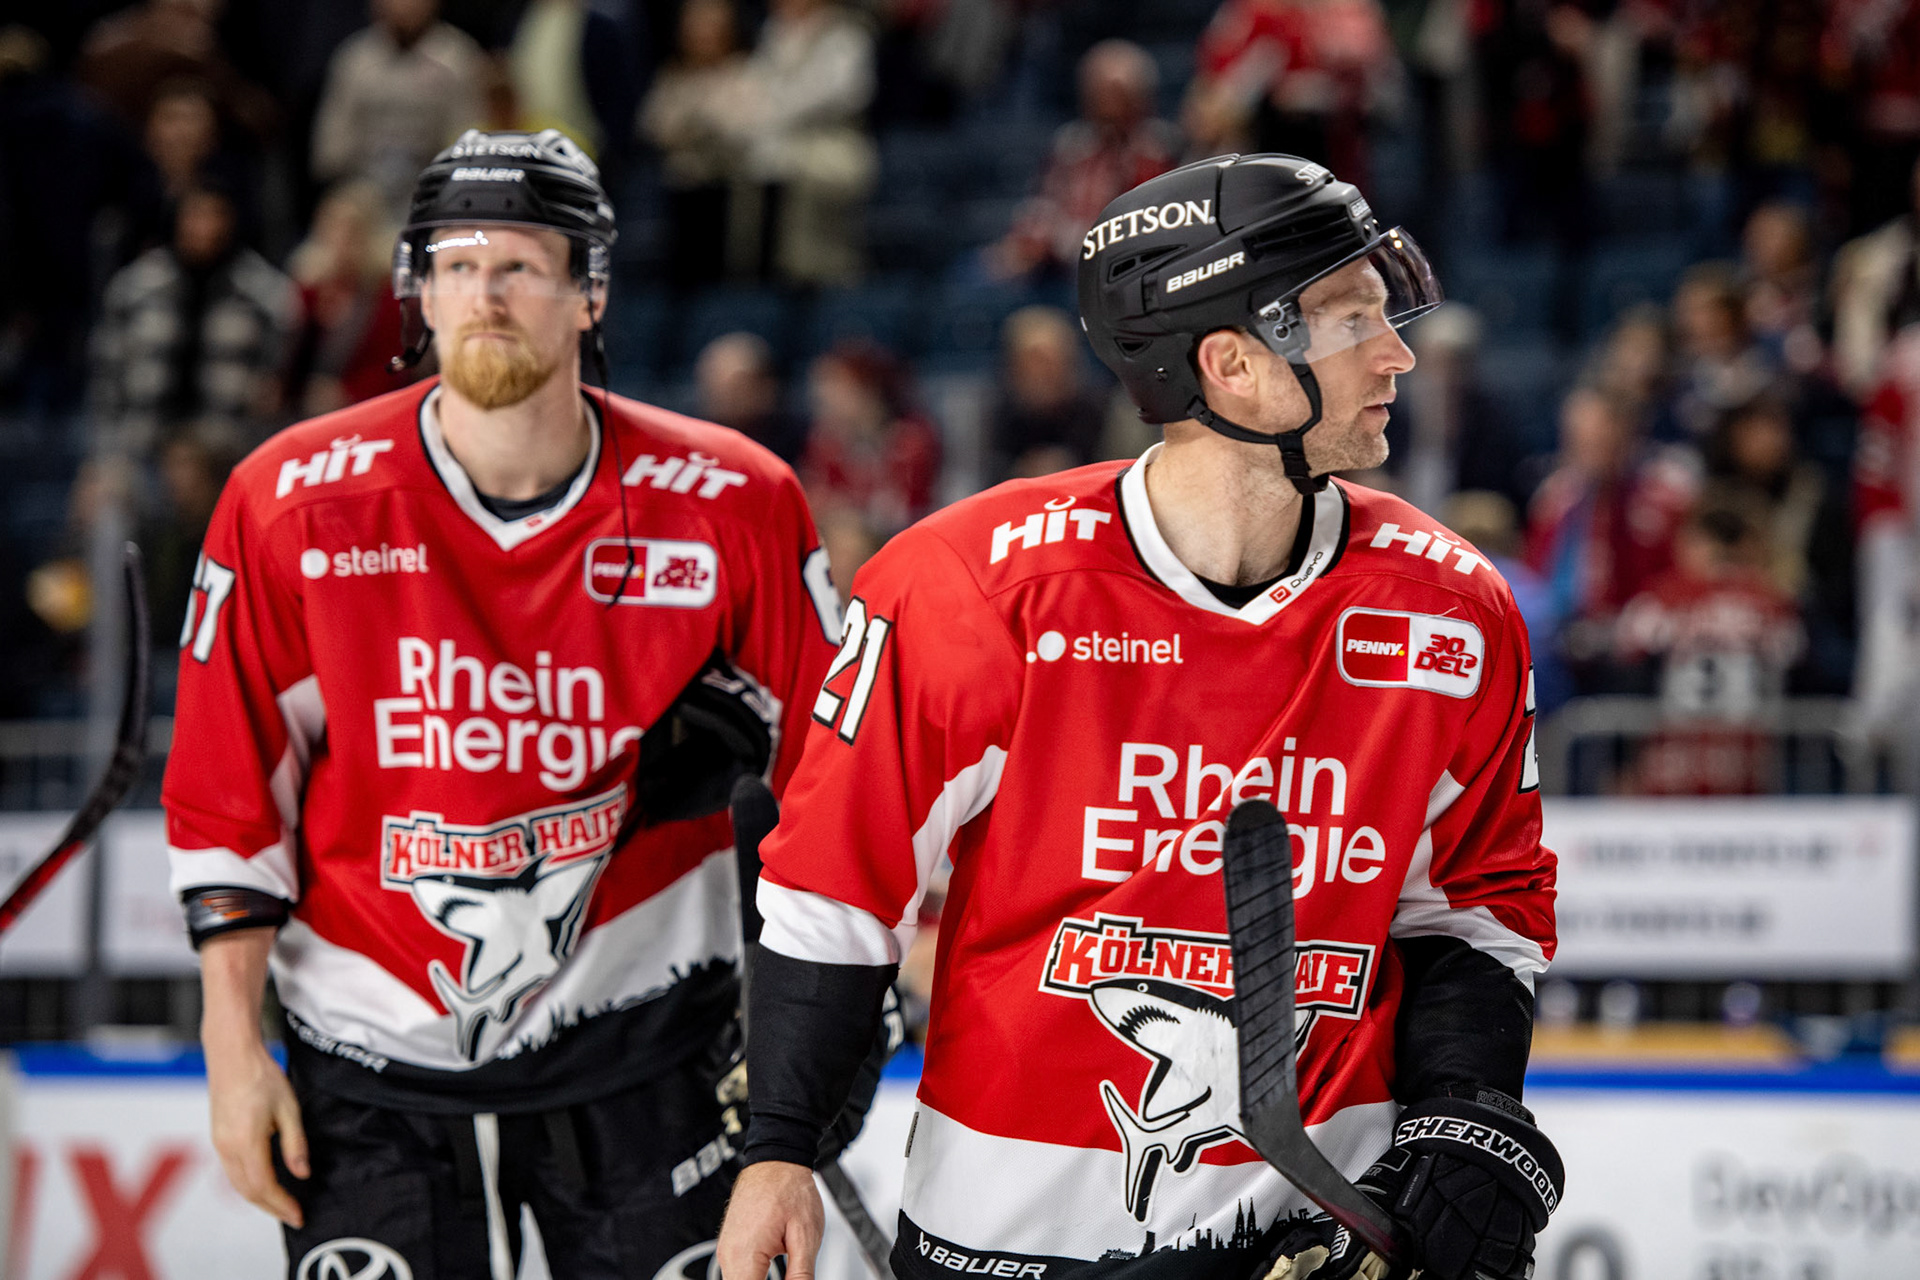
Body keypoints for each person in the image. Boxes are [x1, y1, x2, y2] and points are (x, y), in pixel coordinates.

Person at [718, 154, 1562, 1280]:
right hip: (1006, 1236)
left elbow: (1474, 907)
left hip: (1315, 1236)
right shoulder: (968, 587)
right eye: (1354, 317)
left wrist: (1464, 1107)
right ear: (1232, 365)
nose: (1397, 349)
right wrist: (778, 1145)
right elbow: (836, 884)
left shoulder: (1450, 610)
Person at [160, 129, 840, 1279]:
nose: (487, 292)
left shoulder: (734, 502)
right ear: (415, 292)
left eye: (524, 263)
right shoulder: (286, 504)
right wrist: (232, 1051)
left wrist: (814, 1044)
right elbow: (230, 800)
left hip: (650, 1048)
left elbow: (839, 781)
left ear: (590, 293)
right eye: (458, 263)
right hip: (365, 1060)